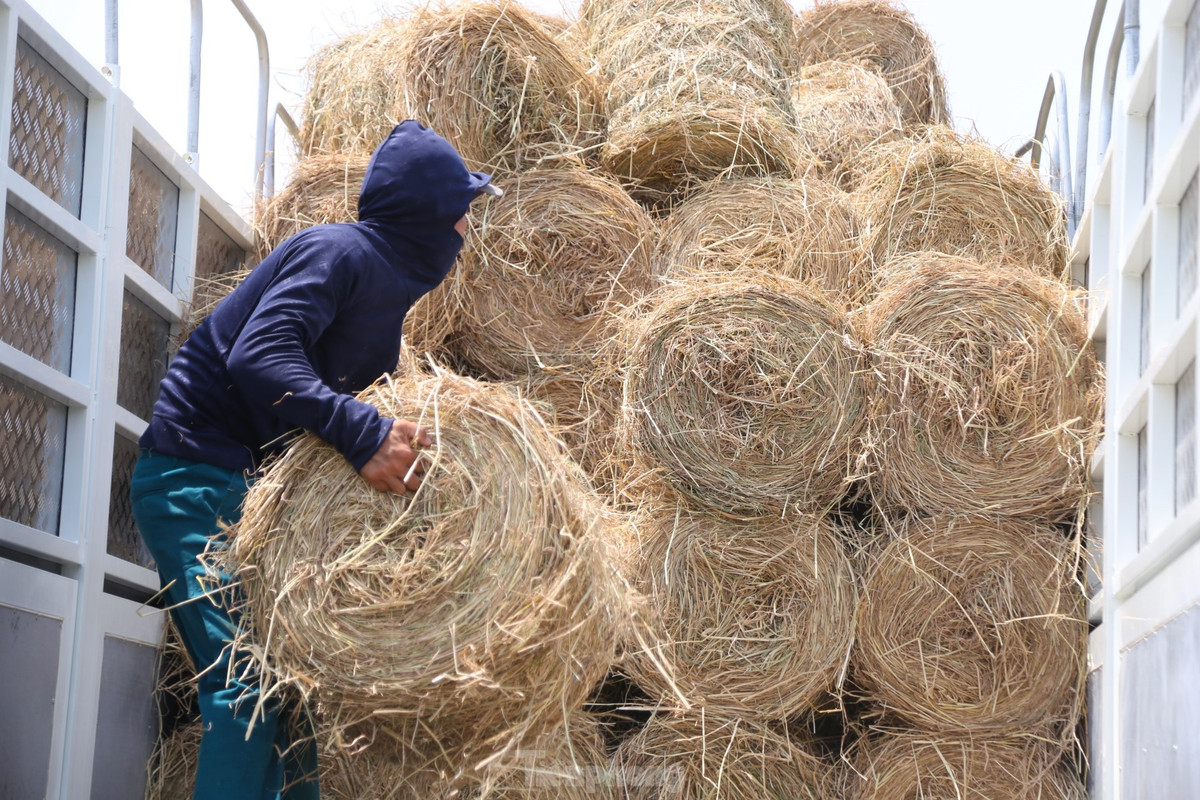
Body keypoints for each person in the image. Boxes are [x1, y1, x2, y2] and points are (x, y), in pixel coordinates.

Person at [130, 120, 501, 800]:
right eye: (462, 216)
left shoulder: (385, 298)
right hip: (193, 477)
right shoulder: (339, 252)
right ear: (428, 218)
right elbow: (260, 356)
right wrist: (364, 435)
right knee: (247, 689)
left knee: (293, 699)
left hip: (243, 492)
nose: (466, 234)